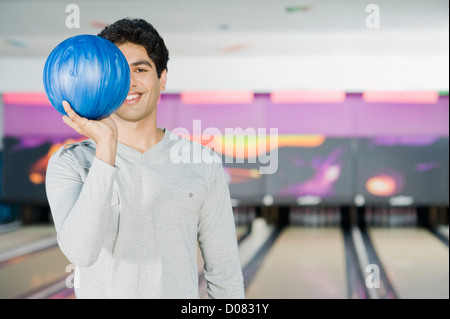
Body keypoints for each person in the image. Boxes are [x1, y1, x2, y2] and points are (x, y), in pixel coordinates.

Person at [45, 18, 245, 299]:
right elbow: (82, 252)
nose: (129, 81)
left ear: (162, 78)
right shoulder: (70, 163)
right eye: (117, 71)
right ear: (104, 80)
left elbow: (225, 272)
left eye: (140, 68)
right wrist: (106, 148)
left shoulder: (202, 163)